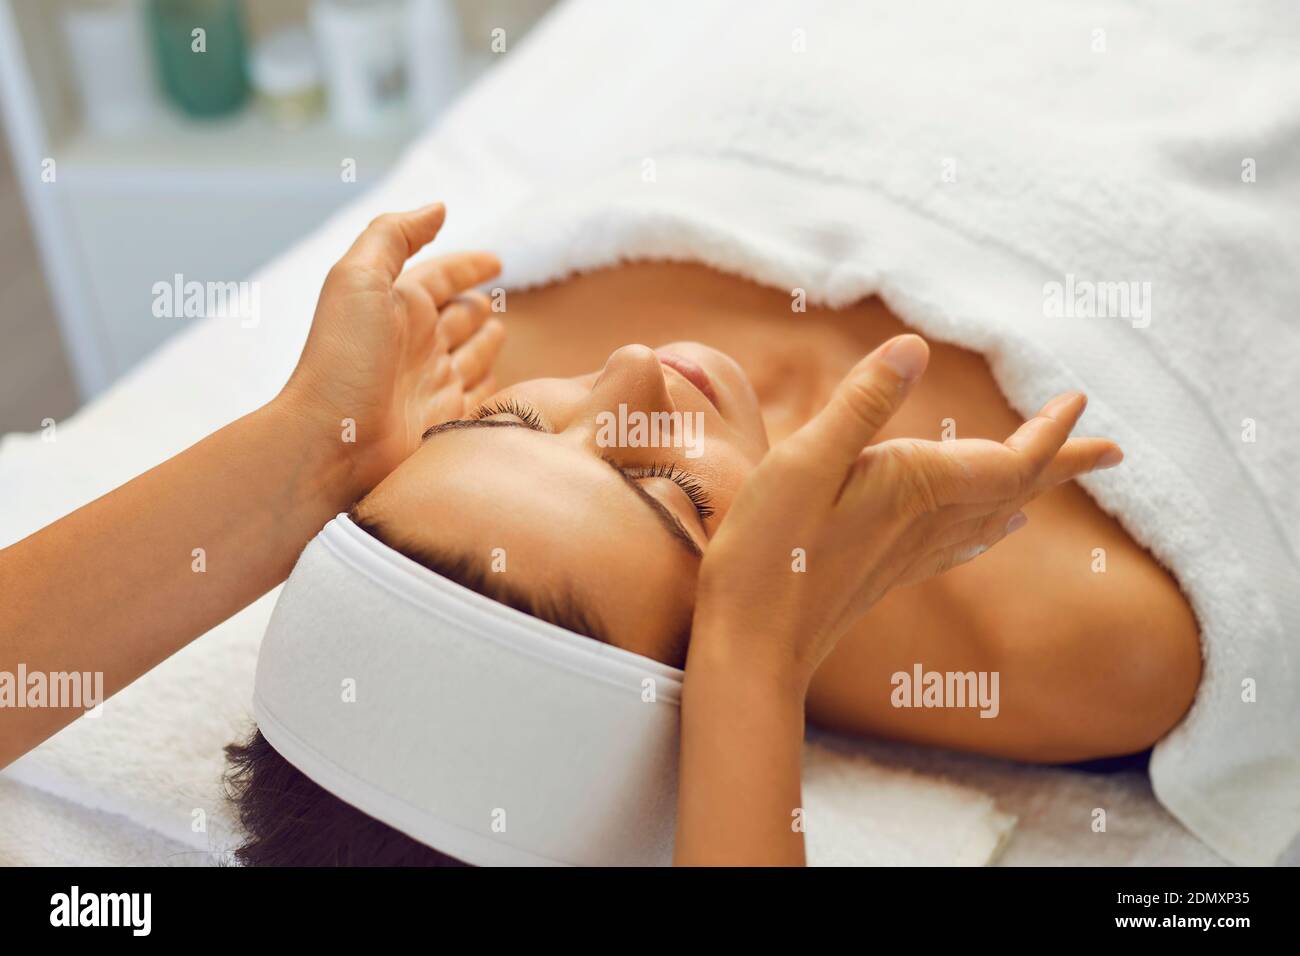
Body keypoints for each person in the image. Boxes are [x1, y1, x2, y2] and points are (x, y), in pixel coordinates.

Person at [0, 205, 1201, 865]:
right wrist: (754, 662)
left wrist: (308, 450)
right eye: (677, 503)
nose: (629, 371)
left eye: (510, 419)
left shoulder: (485, 337)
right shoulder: (1091, 641)